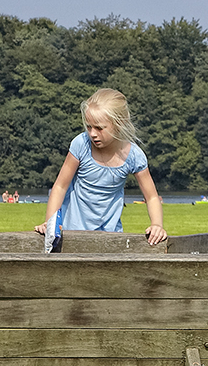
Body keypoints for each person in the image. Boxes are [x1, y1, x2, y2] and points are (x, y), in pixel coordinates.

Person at [39, 88, 168, 247]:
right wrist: (49, 223)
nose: (92, 133)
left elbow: (152, 197)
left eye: (99, 128)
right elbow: (59, 186)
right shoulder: (81, 145)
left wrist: (157, 225)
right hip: (71, 234)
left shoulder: (134, 156)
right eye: (89, 127)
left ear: (120, 124)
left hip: (110, 237)